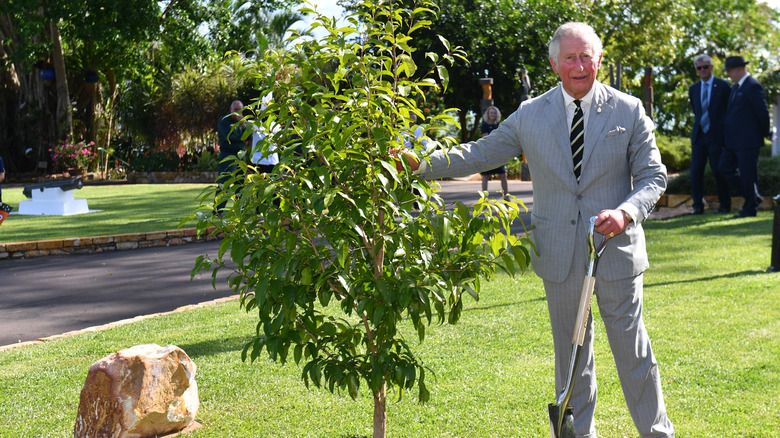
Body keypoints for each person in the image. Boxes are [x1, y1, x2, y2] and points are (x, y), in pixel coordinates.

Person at [399, 22, 674, 437]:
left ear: (599, 59)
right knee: (571, 359)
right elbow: (478, 153)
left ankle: (658, 432)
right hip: (559, 254)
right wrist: (418, 164)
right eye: (570, 58)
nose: (579, 66)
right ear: (553, 63)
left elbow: (653, 176)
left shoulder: (628, 110)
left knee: (634, 354)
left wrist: (626, 213)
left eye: (587, 57)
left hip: (615, 252)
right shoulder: (530, 115)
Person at [721, 55, 771, 218]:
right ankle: (753, 195)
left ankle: (750, 208)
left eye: (729, 71)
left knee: (748, 175)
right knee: (724, 168)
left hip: (748, 141)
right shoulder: (736, 87)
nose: (728, 74)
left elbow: (762, 113)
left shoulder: (752, 86)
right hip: (733, 141)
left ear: (739, 69)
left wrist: (764, 133)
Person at [688, 54, 731, 214]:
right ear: (697, 70)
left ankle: (725, 204)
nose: (703, 70)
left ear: (711, 67)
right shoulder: (693, 89)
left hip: (717, 137)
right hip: (699, 137)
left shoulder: (723, 86)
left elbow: (729, 110)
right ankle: (697, 206)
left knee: (718, 171)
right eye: (699, 68)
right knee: (695, 173)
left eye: (705, 67)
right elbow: (696, 110)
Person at [216, 100, 248, 213]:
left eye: (240, 110)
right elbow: (230, 136)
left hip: (240, 156)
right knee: (224, 184)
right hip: (227, 155)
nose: (237, 112)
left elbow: (249, 137)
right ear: (230, 110)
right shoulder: (224, 120)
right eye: (235, 110)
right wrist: (242, 137)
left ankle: (241, 210)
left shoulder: (244, 123)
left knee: (241, 184)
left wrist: (243, 126)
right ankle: (218, 211)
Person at [479, 105, 509, 198]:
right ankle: (484, 197)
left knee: (503, 175)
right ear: (488, 114)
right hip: (488, 153)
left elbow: (502, 137)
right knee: (486, 176)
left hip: (498, 154)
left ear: (497, 114)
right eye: (491, 113)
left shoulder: (499, 125)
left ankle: (506, 195)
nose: (493, 114)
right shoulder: (484, 125)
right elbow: (487, 139)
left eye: (494, 113)